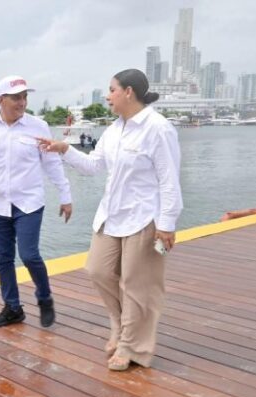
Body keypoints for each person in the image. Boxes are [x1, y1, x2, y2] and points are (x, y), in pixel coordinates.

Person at [37, 68, 183, 370]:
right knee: (97, 270)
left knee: (137, 284)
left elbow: (169, 180)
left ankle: (132, 347)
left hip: (145, 217)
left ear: (128, 92)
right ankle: (119, 325)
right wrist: (64, 150)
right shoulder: (115, 129)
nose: (107, 95)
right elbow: (93, 166)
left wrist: (167, 224)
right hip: (112, 214)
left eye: (111, 89)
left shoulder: (158, 128)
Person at [0, 75, 73, 328]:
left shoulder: (38, 126)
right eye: (16, 97)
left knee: (29, 254)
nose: (22, 102)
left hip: (29, 203)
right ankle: (13, 308)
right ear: (1, 100)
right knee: (3, 258)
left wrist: (65, 196)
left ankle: (44, 298)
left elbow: (52, 164)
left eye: (25, 97)